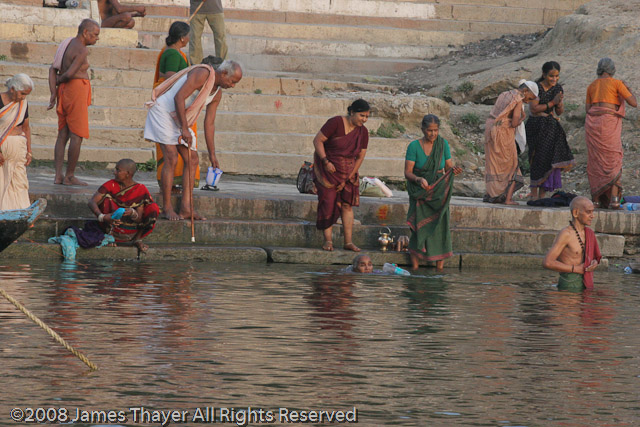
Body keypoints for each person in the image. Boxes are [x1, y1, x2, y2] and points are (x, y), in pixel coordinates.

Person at [144, 58, 243, 221]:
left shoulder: (217, 93)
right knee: (171, 157)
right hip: (163, 113)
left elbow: (209, 123)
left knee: (193, 160)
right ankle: (167, 208)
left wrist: (212, 154)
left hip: (182, 118)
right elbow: (178, 98)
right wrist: (184, 129)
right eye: (232, 82)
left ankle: (186, 208)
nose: (232, 86)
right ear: (224, 73)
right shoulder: (202, 73)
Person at [404, 114, 462, 271]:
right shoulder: (414, 146)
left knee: (440, 226)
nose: (433, 134)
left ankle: (439, 268)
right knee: (418, 226)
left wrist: (453, 171)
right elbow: (408, 172)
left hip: (438, 190)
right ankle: (415, 268)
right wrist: (419, 180)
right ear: (423, 129)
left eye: (436, 130)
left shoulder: (443, 145)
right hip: (419, 190)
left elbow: (448, 167)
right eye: (429, 130)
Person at [313, 99, 370, 252]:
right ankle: (328, 241)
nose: (364, 119)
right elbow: (318, 141)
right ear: (351, 112)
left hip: (349, 173)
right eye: (361, 115)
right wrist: (325, 161)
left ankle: (348, 242)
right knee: (328, 203)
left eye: (366, 117)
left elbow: (360, 156)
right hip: (328, 171)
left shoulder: (363, 132)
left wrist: (349, 176)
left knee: (347, 205)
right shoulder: (335, 123)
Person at [48, 19, 100, 186]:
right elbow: (69, 74)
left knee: (63, 133)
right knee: (76, 135)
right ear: (85, 33)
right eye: (95, 35)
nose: (97, 38)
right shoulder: (82, 50)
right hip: (75, 90)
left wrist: (54, 92)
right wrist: (59, 81)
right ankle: (69, 176)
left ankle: (58, 176)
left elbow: (52, 69)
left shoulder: (66, 43)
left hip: (64, 92)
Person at [152, 21, 200, 191]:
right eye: (188, 35)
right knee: (172, 155)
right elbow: (171, 78)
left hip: (173, 106)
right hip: (171, 108)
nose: (189, 38)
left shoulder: (175, 52)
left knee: (179, 154)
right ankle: (170, 186)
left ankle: (176, 184)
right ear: (182, 38)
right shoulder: (172, 54)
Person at [585, 57, 637, 209]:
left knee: (595, 161)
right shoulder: (617, 83)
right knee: (613, 159)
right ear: (612, 70)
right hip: (609, 124)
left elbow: (588, 109)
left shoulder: (591, 86)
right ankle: (614, 199)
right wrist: (629, 90)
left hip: (592, 125)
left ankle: (595, 200)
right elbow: (633, 103)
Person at [525, 61, 575, 200]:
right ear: (544, 75)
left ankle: (542, 195)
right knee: (536, 158)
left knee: (548, 160)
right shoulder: (535, 87)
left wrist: (559, 103)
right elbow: (534, 109)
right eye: (551, 76)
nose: (554, 79)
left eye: (557, 76)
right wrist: (552, 102)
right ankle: (534, 195)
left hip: (550, 127)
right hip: (536, 126)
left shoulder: (557, 88)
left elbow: (559, 112)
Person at [484, 79, 538, 205]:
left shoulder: (504, 94)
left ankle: (491, 194)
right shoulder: (518, 99)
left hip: (490, 129)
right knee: (510, 165)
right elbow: (514, 123)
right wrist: (522, 118)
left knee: (493, 163)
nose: (529, 101)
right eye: (530, 98)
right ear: (525, 91)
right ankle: (507, 199)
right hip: (502, 134)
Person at [88, 159, 160, 253]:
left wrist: (132, 213)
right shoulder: (111, 184)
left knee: (153, 208)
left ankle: (137, 239)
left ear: (127, 173)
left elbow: (139, 219)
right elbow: (92, 202)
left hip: (131, 229)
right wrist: (102, 217)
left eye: (118, 170)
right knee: (106, 200)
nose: (114, 172)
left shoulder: (140, 189)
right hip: (110, 224)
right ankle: (110, 237)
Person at [543, 196, 602, 291]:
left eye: (592, 212)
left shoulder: (589, 233)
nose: (592, 216)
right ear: (576, 213)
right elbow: (548, 262)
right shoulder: (566, 234)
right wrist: (576, 269)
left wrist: (594, 263)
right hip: (569, 283)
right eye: (588, 212)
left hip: (584, 283)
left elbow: (593, 257)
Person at [0, 74, 34, 211]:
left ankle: (21, 214)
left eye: (26, 95)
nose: (23, 97)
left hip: (18, 151)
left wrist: (29, 151)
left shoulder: (23, 104)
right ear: (13, 89)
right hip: (2, 152)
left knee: (19, 184)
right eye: (22, 93)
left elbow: (25, 128)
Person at [189, 0, 228, 66]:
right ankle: (196, 66)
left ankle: (223, 65)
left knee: (220, 37)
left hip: (215, 8)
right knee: (195, 38)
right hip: (196, 8)